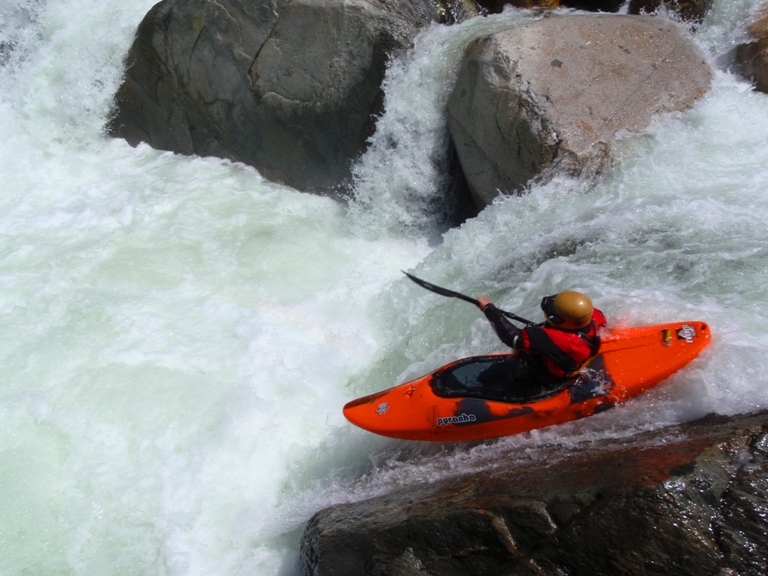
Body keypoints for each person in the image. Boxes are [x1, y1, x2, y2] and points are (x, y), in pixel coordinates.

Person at [476, 291, 607, 395]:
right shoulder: (591, 316)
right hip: (568, 360)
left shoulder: (555, 339)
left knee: (485, 380)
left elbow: (512, 338)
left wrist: (488, 309)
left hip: (545, 378)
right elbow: (602, 320)